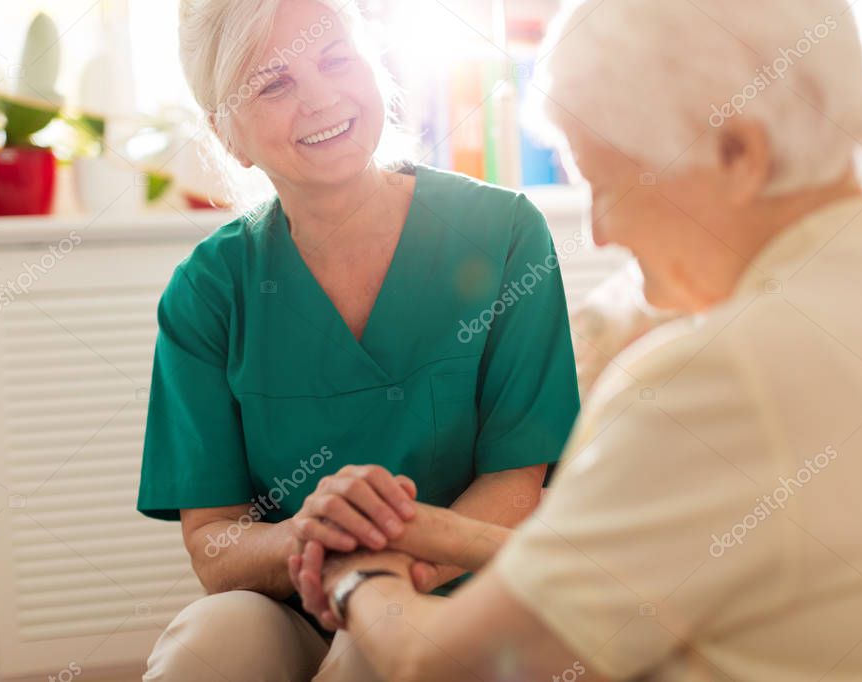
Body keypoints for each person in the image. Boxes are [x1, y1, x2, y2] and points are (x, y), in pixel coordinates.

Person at [289, 0, 862, 679]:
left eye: (604, 182)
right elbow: (650, 554)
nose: (599, 231)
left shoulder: (719, 376)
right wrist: (428, 530)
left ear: (737, 151)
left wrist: (361, 579)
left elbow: (442, 664)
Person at [137, 1, 580, 679]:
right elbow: (213, 544)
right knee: (209, 644)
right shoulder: (207, 290)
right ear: (228, 135)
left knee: (373, 647)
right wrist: (307, 537)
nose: (319, 97)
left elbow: (517, 484)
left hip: (467, 596)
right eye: (273, 84)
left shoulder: (504, 233)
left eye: (335, 58)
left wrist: (375, 581)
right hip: (296, 601)